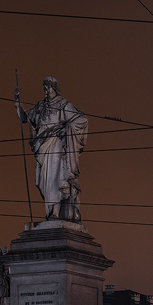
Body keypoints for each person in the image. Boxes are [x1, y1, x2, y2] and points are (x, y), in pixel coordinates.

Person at [15, 75, 89, 222]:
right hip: (42, 147)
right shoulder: (40, 106)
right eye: (44, 88)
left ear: (54, 88)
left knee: (56, 180)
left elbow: (82, 119)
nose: (45, 91)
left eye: (48, 87)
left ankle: (55, 213)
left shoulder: (63, 105)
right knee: (43, 182)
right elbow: (25, 118)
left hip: (57, 145)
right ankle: (51, 212)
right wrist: (17, 103)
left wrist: (66, 129)